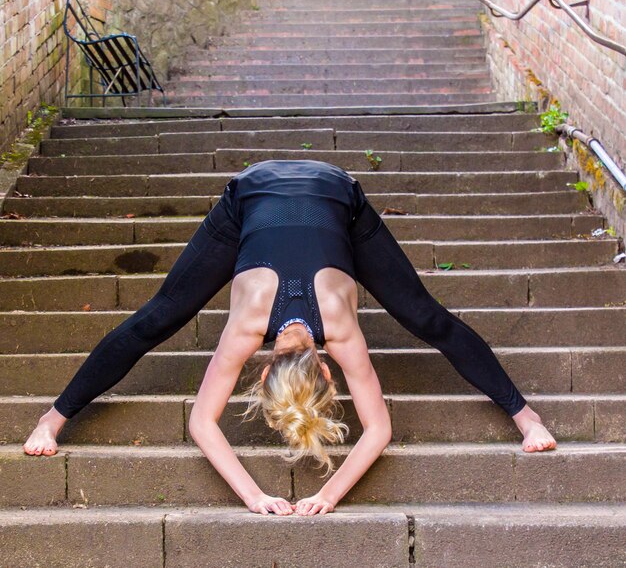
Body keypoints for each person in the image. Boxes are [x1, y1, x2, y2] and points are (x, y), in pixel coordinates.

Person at [23, 160, 556, 516]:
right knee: (427, 319)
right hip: (260, 195)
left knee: (157, 319)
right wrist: (290, 496)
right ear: (319, 369)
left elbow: (204, 421)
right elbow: (377, 431)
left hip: (331, 196)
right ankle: (526, 420)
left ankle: (53, 420)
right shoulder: (313, 329)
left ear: (320, 372)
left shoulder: (280, 328)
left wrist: (271, 497)